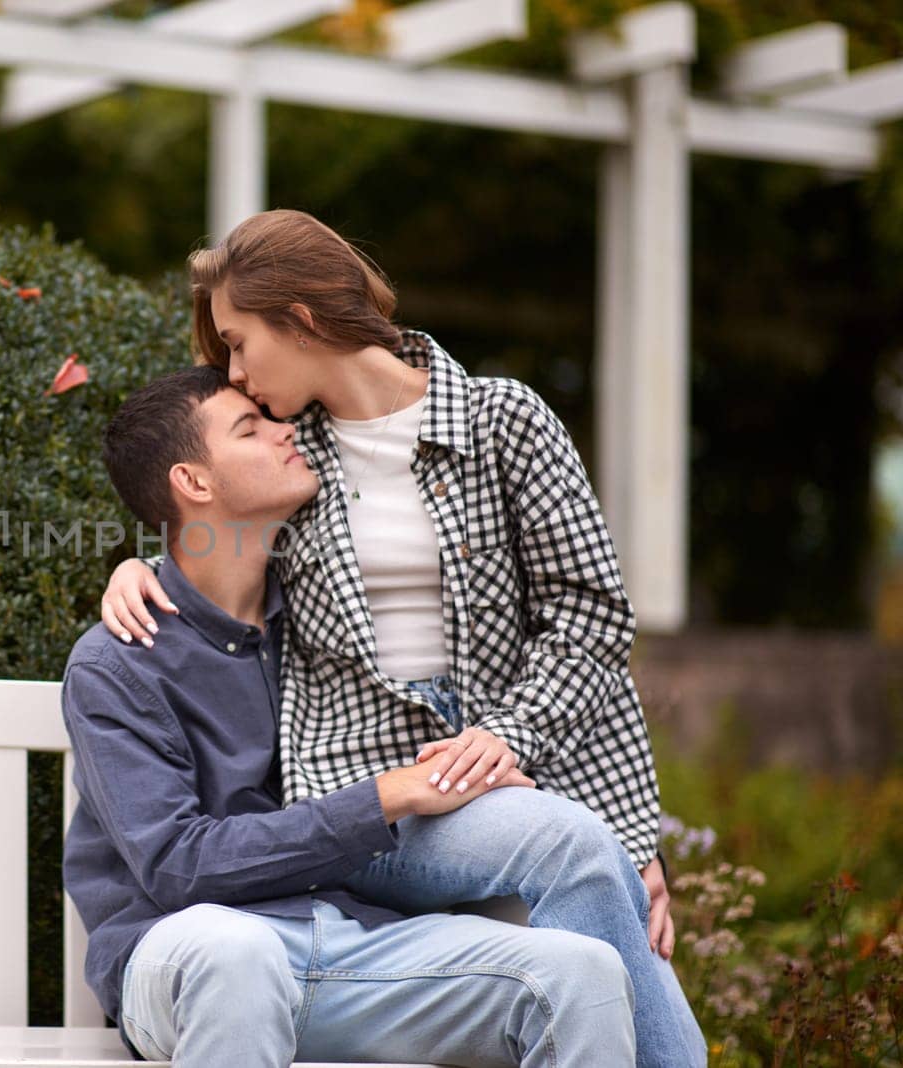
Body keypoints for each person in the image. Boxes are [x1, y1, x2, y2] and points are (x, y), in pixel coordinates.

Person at [97, 210, 706, 1065]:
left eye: (238, 344)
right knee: (570, 844)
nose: (233, 373)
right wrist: (133, 568)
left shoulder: (506, 422)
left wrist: (627, 834)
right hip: (370, 796)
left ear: (301, 319)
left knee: (578, 856)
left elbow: (590, 619)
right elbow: (203, 516)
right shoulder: (290, 453)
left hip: (516, 777)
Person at [64, 365, 637, 1066]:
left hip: (350, 947)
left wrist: (638, 853)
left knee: (581, 974)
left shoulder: (320, 619)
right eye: (251, 427)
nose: (286, 430)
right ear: (195, 483)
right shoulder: (119, 661)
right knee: (236, 952)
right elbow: (178, 867)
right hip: (189, 950)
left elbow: (562, 650)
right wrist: (391, 795)